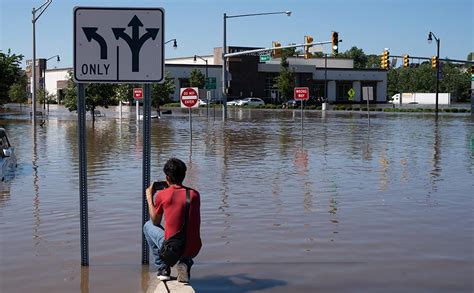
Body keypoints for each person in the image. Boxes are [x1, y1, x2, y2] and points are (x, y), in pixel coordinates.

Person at [144, 158, 202, 282]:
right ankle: (185, 263)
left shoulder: (162, 195)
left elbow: (155, 221)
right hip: (194, 248)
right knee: (186, 230)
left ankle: (163, 267)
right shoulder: (195, 195)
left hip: (173, 249)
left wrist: (150, 197)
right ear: (184, 175)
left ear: (167, 178)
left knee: (147, 226)